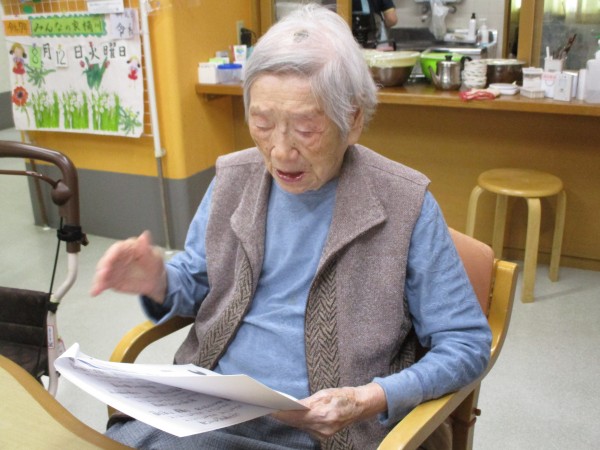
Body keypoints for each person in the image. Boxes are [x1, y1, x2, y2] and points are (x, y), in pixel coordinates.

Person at [91, 4, 491, 450]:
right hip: (209, 413)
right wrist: (159, 280)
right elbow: (198, 283)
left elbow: (466, 344)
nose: (280, 152)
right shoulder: (233, 179)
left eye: (306, 128)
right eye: (262, 123)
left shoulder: (405, 203)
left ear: (353, 120)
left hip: (326, 431)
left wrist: (369, 399)